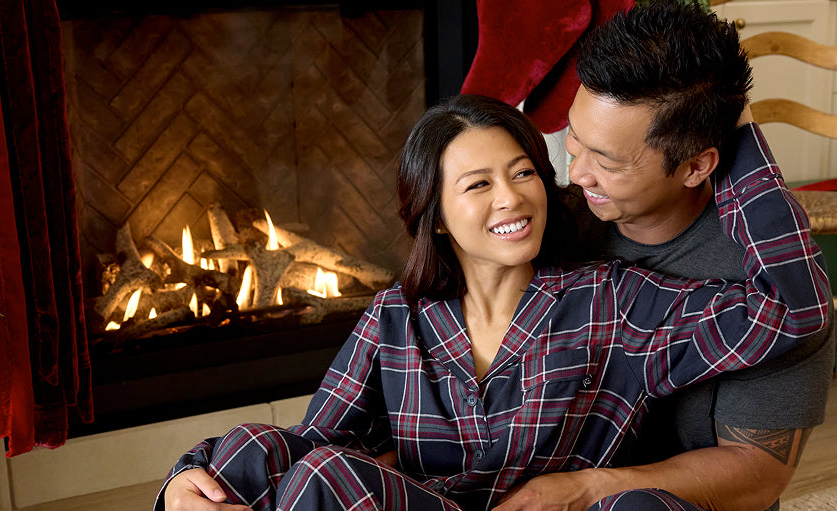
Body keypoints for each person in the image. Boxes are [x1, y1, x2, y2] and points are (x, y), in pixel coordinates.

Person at [155, 93, 829, 511]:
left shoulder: (612, 300)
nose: (511, 197)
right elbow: (313, 444)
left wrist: (733, 127)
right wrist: (183, 479)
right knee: (281, 459)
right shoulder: (398, 316)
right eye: (478, 184)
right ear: (437, 215)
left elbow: (792, 311)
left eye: (524, 172)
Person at [496, 2, 834, 510]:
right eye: (575, 140)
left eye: (607, 161)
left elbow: (758, 473)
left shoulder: (769, 280)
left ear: (696, 165)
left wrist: (583, 490)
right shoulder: (554, 229)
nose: (578, 172)